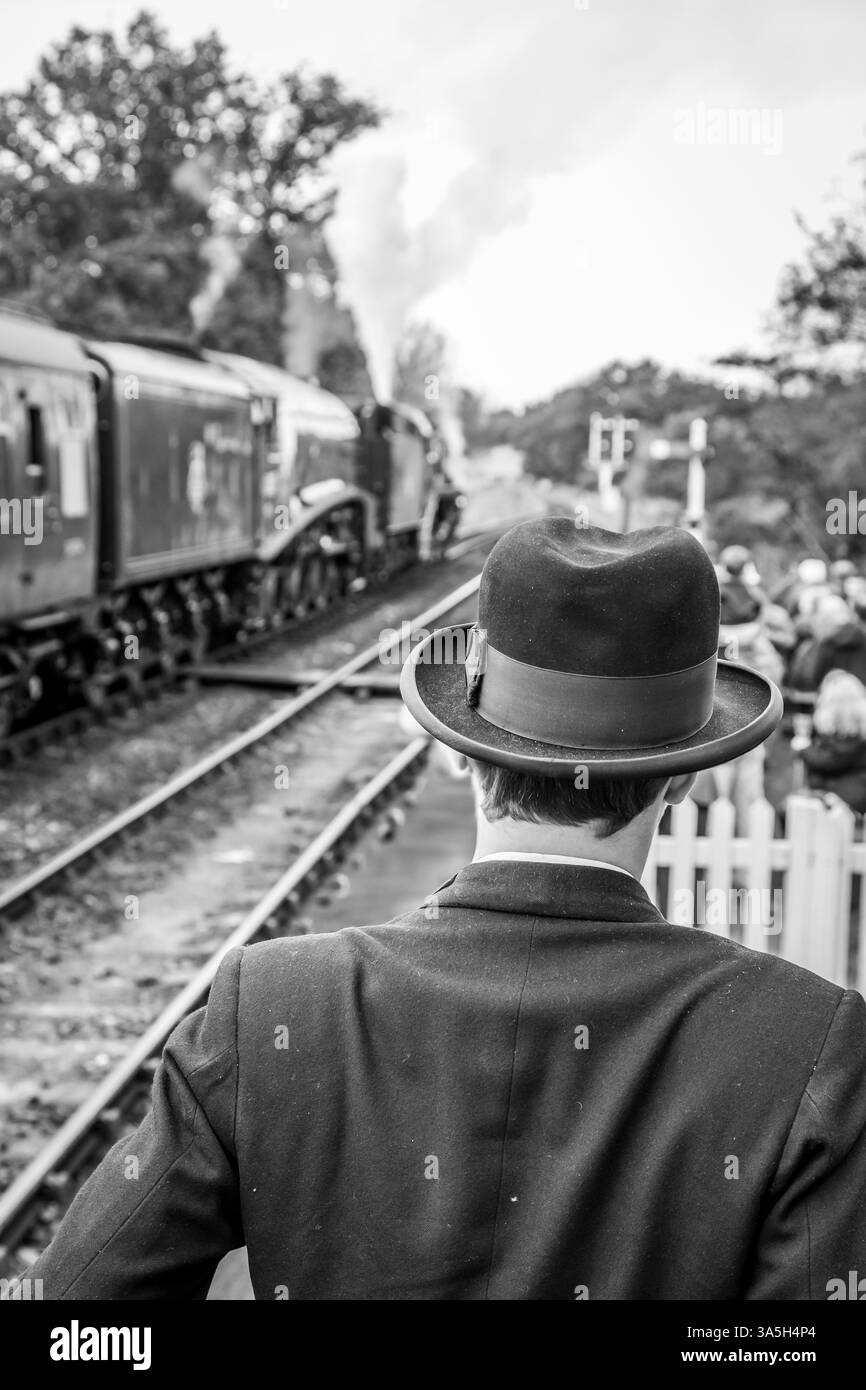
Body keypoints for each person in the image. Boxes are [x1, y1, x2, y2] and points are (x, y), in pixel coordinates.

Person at [15, 520, 866, 1300]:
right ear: (685, 774)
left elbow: (77, 1315)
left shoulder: (273, 1006)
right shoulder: (807, 1046)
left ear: (462, 753)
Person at [802, 669, 866, 815]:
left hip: (848, 795)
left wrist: (804, 749)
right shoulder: (855, 730)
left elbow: (829, 761)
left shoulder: (850, 735)